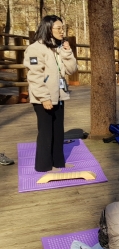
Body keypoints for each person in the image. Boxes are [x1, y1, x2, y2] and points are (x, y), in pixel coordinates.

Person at [24, 15, 77, 172]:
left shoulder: (58, 48)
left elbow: (71, 70)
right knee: (46, 132)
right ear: (48, 29)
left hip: (59, 96)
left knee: (58, 131)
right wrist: (44, 98)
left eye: (62, 28)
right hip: (43, 98)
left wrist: (67, 52)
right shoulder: (35, 49)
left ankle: (58, 163)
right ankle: (43, 166)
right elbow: (35, 76)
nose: (62, 31)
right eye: (58, 28)